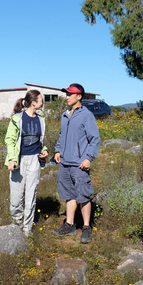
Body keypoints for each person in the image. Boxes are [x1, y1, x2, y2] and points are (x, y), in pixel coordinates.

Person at [51, 83, 100, 244]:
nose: (67, 96)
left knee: (83, 194)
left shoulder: (86, 115)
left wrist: (88, 158)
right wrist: (58, 151)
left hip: (79, 163)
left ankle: (86, 227)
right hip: (65, 162)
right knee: (68, 194)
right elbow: (61, 136)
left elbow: (94, 139)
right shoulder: (65, 115)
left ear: (79, 97)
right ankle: (69, 225)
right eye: (67, 94)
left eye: (70, 94)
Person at [4, 89, 48, 236]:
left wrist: (44, 150)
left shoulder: (41, 120)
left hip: (34, 160)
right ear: (33, 103)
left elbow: (41, 142)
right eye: (41, 100)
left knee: (31, 196)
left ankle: (27, 230)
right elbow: (10, 140)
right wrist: (12, 159)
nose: (43, 102)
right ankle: (17, 226)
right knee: (16, 197)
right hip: (19, 161)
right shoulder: (17, 119)